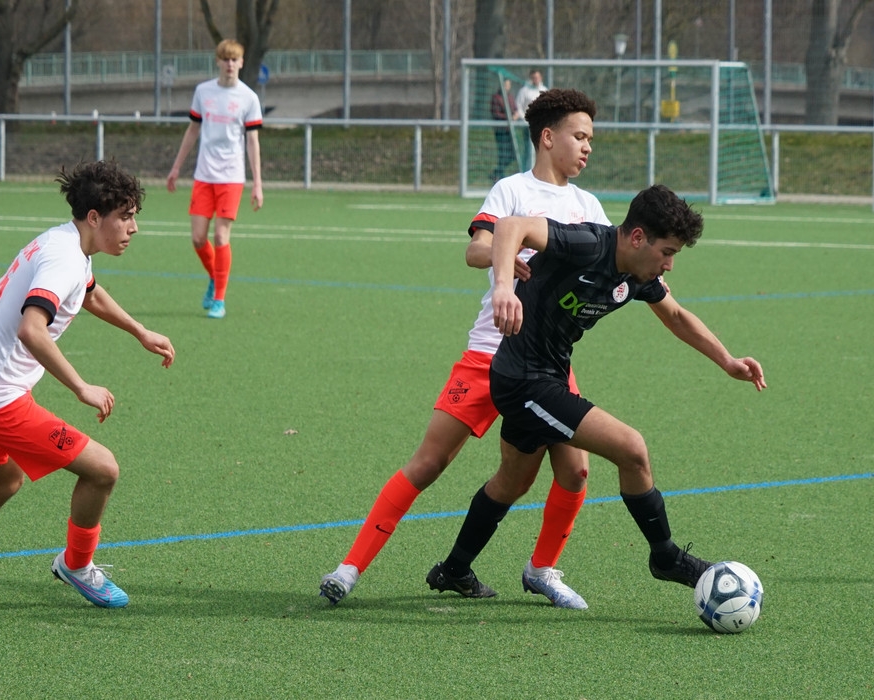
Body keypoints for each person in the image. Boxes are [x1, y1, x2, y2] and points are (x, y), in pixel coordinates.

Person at [320, 89, 607, 609]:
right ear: (548, 137)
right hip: (489, 353)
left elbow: (607, 265)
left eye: (591, 139)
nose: (588, 147)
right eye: (580, 136)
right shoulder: (512, 190)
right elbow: (477, 247)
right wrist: (504, 260)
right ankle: (349, 568)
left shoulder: (589, 207)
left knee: (576, 470)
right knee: (429, 461)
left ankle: (542, 570)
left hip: (549, 364)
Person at [427, 184, 767, 596]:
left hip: (546, 377)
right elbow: (512, 226)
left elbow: (676, 316)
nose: (670, 265)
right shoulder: (587, 243)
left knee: (511, 482)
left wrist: (728, 361)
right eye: (667, 252)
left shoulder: (637, 274)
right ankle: (666, 557)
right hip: (524, 381)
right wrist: (502, 286)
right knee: (632, 449)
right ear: (637, 237)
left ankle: (453, 569)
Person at [0, 160, 175, 608]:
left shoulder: (68, 243)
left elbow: (89, 291)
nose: (133, 228)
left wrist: (139, 331)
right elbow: (31, 329)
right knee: (103, 469)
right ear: (95, 217)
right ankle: (77, 565)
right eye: (126, 217)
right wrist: (81, 387)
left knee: (4, 482)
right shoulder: (63, 259)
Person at [167, 38, 263, 320]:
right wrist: (176, 168)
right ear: (218, 62)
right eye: (225, 59)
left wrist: (257, 183)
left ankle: (219, 299)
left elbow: (253, 141)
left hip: (231, 177)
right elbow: (192, 131)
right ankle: (215, 276)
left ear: (241, 63)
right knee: (198, 238)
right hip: (204, 175)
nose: (230, 64)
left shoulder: (249, 98)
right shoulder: (203, 91)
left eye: (234, 60)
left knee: (221, 235)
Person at [515, 69, 547, 166]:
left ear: (541, 78)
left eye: (537, 77)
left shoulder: (544, 90)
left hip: (540, 125)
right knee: (528, 149)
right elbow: (518, 106)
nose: (535, 79)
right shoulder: (524, 90)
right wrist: (525, 119)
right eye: (533, 77)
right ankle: (527, 168)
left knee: (540, 148)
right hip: (527, 125)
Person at [490, 78, 519, 183]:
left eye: (508, 85)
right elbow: (496, 113)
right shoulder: (496, 98)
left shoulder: (510, 97)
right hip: (501, 130)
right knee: (503, 154)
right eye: (505, 85)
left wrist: (516, 115)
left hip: (509, 130)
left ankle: (496, 173)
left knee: (512, 155)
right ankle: (499, 176)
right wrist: (509, 118)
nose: (506, 87)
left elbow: (515, 109)